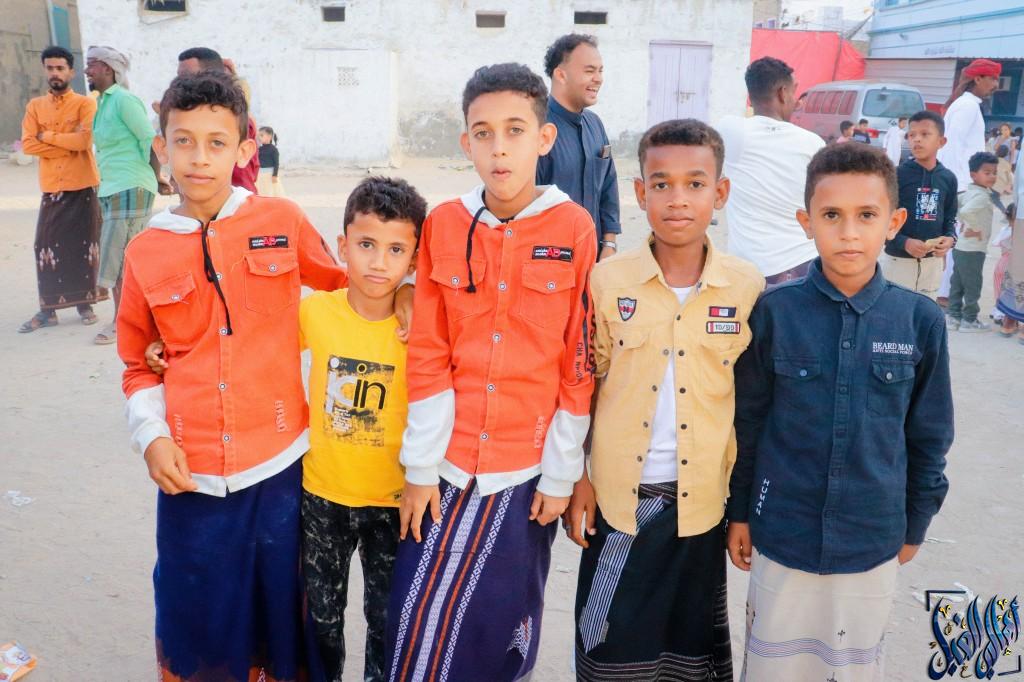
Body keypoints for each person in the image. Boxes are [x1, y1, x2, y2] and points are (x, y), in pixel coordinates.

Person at [116, 70, 349, 681]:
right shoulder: (144, 251)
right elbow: (137, 364)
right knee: (197, 613)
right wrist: (151, 437)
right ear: (161, 148)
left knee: (284, 613)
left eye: (216, 143)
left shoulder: (283, 220)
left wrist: (400, 295)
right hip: (188, 474)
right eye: (184, 141)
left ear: (244, 149)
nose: (199, 158)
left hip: (280, 464)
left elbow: (347, 290)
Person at [386, 63, 596, 682]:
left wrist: (561, 473)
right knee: (416, 617)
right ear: (466, 142)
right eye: (483, 133)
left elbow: (577, 359)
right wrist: (420, 469)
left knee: (502, 623)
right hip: (446, 465)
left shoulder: (574, 227)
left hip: (525, 472)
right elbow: (429, 351)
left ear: (544, 138)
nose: (499, 148)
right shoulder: (445, 224)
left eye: (514, 130)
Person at [727, 142, 953, 681]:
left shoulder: (920, 321)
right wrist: (740, 511)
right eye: (831, 216)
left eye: (866, 216)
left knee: (852, 668)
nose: (848, 233)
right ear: (806, 222)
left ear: (894, 222)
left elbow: (929, 435)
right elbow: (747, 424)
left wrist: (916, 522)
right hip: (783, 531)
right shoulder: (774, 312)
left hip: (873, 535)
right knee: (774, 667)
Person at [565, 119, 764, 680]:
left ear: (720, 192)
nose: (678, 199)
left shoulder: (746, 288)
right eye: (661, 184)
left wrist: (742, 511)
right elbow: (584, 386)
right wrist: (578, 478)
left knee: (690, 653)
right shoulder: (607, 283)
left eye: (695, 184)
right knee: (609, 649)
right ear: (639, 192)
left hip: (702, 507)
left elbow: (750, 410)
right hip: (621, 506)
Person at [300, 176, 426, 682]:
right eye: (366, 244)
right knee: (321, 623)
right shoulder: (315, 312)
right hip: (322, 497)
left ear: (413, 260)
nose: (378, 262)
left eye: (396, 250)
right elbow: (252, 348)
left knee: (388, 624)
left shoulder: (421, 328)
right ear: (342, 245)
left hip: (396, 504)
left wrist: (413, 296)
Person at [18, 46, 107, 333]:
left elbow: (84, 142)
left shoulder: (85, 104)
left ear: (71, 71)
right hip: (52, 187)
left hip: (82, 184)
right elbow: (28, 144)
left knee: (83, 246)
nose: (55, 73)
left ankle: (85, 305)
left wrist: (47, 136)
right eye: (50, 68)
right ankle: (49, 311)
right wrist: (65, 146)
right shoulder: (35, 106)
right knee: (44, 247)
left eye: (60, 68)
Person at [718, 57, 824, 285]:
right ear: (783, 93)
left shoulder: (731, 131)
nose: (796, 100)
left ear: (750, 96)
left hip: (747, 270)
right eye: (794, 92)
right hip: (802, 263)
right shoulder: (812, 143)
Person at [85, 46, 160, 345]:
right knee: (122, 258)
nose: (87, 71)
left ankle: (122, 322)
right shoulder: (102, 102)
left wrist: (156, 177)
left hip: (131, 185)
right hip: (112, 187)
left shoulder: (125, 100)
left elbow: (149, 140)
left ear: (108, 68)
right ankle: (132, 319)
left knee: (120, 259)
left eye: (91, 65)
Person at [536, 34, 620, 260]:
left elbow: (608, 187)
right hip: (550, 261)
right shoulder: (536, 128)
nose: (598, 79)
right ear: (561, 75)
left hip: (596, 259)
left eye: (600, 71)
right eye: (589, 71)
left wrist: (609, 243)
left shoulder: (595, 124)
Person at [936, 59, 1001, 307]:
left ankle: (946, 293)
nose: (996, 84)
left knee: (958, 240)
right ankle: (945, 295)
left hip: (963, 183)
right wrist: (961, 186)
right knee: (959, 242)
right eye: (992, 78)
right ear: (978, 79)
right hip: (961, 185)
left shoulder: (968, 105)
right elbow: (951, 147)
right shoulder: (967, 107)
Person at [882, 110, 957, 299]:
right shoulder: (896, 175)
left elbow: (950, 218)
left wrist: (950, 240)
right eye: (912, 135)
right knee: (895, 311)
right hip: (898, 262)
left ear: (941, 142)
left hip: (932, 265)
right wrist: (904, 242)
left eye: (925, 134)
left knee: (925, 311)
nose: (917, 139)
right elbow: (881, 220)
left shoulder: (948, 178)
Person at [176, 47, 261, 193]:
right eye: (179, 76)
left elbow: (241, 176)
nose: (180, 82)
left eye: (187, 76)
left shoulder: (234, 118)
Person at [948, 152, 999, 332]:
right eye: (987, 172)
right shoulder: (982, 196)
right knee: (972, 285)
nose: (992, 176)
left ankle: (953, 316)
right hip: (973, 250)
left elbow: (955, 206)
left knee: (957, 283)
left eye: (994, 172)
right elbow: (966, 211)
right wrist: (975, 228)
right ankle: (969, 320)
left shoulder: (969, 192)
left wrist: (962, 222)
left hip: (961, 247)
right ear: (973, 174)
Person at [256, 125, 283, 197]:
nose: (259, 138)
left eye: (261, 135)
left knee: (270, 193)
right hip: (260, 175)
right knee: (261, 192)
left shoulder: (273, 149)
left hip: (269, 175)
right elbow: (257, 162)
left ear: (269, 136)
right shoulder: (259, 149)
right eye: (258, 136)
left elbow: (276, 163)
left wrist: (275, 175)